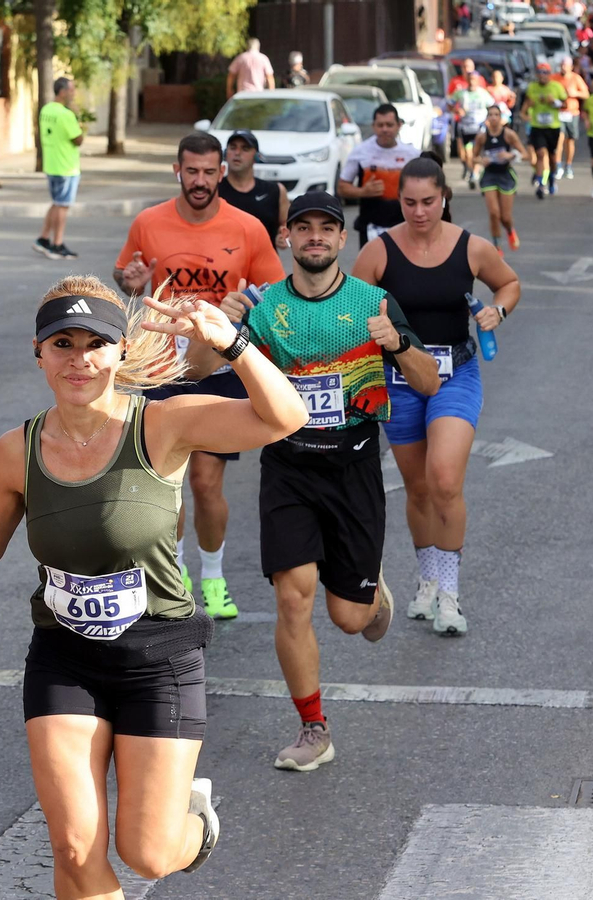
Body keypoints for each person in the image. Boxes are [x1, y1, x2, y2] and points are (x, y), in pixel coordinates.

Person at [0, 275, 308, 897]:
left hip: (159, 656)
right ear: (38, 353)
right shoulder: (14, 452)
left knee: (147, 855)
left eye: (94, 342)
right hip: (64, 656)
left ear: (121, 349)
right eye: (61, 344)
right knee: (73, 848)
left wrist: (231, 344)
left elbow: (286, 417)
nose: (78, 359)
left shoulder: (164, 425)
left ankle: (193, 823)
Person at [199, 192, 440, 771]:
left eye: (325, 229)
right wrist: (217, 330)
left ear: (340, 239)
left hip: (353, 465)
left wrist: (399, 343)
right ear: (287, 238)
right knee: (291, 597)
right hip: (287, 466)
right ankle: (314, 728)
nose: (314, 237)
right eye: (302, 228)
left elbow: (429, 382)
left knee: (349, 619)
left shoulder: (374, 302)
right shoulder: (261, 307)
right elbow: (199, 372)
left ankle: (368, 590)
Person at [114, 132, 287, 619]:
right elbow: (127, 273)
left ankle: (213, 577)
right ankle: (177, 575)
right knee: (165, 479)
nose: (201, 181)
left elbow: (274, 290)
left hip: (222, 363)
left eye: (210, 172)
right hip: (162, 367)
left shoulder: (248, 227)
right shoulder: (149, 222)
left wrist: (244, 306)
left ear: (221, 173)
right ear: (178, 171)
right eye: (192, 171)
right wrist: (129, 280)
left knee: (208, 483)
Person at [350, 158, 521, 634]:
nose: (419, 212)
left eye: (428, 201)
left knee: (444, 479)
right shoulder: (379, 251)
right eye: (409, 202)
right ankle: (426, 581)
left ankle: (450, 592)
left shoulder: (471, 247)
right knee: (419, 487)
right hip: (399, 378)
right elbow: (349, 308)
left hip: (456, 373)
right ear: (398, 200)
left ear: (444, 197)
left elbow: (508, 284)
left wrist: (498, 312)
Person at [338, 104, 421, 244]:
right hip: (370, 225)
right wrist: (362, 192)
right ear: (373, 126)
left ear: (399, 125)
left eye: (389, 125)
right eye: (380, 125)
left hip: (405, 225)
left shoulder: (412, 154)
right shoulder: (361, 152)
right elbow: (342, 187)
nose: (385, 129)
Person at [37, 77, 86, 260]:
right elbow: (78, 139)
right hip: (66, 166)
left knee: (57, 202)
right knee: (62, 206)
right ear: (63, 92)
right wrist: (76, 118)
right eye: (72, 90)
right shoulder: (66, 114)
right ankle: (57, 244)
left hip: (51, 163)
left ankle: (43, 238)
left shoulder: (46, 110)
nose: (73, 93)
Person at [219, 130, 289, 249]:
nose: (237, 153)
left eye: (245, 148)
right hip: (225, 263)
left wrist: (285, 238)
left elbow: (287, 225)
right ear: (225, 154)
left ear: (257, 156)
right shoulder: (214, 191)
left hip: (264, 263)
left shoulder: (275, 191)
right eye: (233, 147)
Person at [472, 105, 527, 250]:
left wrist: (511, 155)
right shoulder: (482, 137)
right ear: (487, 118)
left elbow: (526, 155)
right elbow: (473, 157)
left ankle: (510, 230)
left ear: (501, 118)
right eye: (490, 114)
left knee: (505, 217)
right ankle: (497, 246)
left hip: (505, 175)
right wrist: (481, 160)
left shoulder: (509, 135)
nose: (493, 117)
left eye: (496, 114)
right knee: (494, 213)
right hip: (489, 175)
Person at [524, 63, 569, 199]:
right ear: (537, 74)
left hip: (553, 127)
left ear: (549, 74)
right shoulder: (532, 87)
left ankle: (551, 179)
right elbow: (526, 105)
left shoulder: (556, 87)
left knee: (552, 157)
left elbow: (566, 104)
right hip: (537, 126)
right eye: (540, 72)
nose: (542, 75)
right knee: (540, 153)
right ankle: (540, 183)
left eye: (545, 73)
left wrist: (554, 102)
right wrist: (527, 111)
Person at [450, 72, 496, 188]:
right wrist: (457, 111)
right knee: (466, 154)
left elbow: (493, 107)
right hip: (465, 127)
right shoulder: (461, 93)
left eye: (474, 79)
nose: (472, 82)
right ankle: (470, 170)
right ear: (467, 79)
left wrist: (489, 120)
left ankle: (474, 174)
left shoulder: (483, 94)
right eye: (470, 79)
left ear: (478, 80)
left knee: (476, 152)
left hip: (479, 127)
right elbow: (449, 104)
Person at [552, 58, 590, 183]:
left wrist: (575, 93)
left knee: (570, 141)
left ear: (571, 67)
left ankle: (568, 165)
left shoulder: (576, 78)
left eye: (565, 65)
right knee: (559, 139)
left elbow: (586, 94)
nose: (563, 67)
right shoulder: (554, 78)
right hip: (558, 113)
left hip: (572, 113)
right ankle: (558, 165)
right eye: (562, 65)